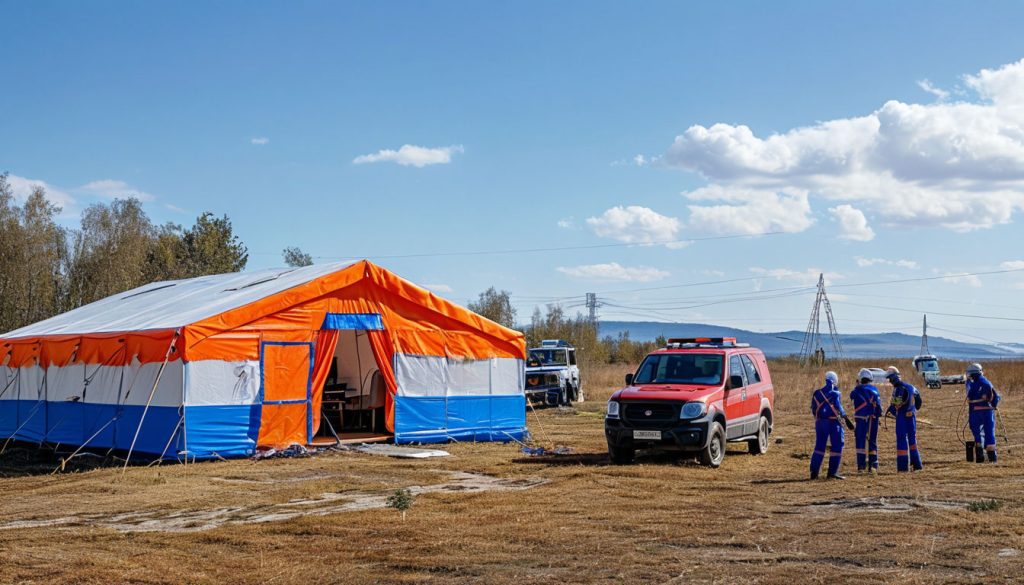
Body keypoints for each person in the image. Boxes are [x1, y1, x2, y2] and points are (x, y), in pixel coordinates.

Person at [810, 371, 853, 480]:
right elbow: (839, 406)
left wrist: (819, 418)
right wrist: (846, 418)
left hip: (820, 422)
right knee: (837, 446)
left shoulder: (817, 393)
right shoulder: (835, 392)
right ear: (835, 380)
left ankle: (814, 473)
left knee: (819, 447)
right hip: (834, 423)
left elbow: (813, 408)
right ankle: (832, 472)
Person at [884, 366, 923, 472]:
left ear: (893, 378)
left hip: (902, 418)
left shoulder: (898, 389)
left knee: (902, 441)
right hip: (912, 417)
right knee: (912, 441)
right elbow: (919, 401)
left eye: (890, 379)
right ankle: (917, 464)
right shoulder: (911, 387)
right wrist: (914, 409)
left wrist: (890, 411)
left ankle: (903, 467)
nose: (890, 382)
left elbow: (894, 406)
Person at [965, 363, 1001, 463]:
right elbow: (995, 397)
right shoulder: (987, 383)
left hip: (974, 412)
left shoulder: (969, 384)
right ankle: (992, 458)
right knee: (989, 433)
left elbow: (968, 397)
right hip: (988, 412)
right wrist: (994, 405)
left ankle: (980, 457)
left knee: (977, 433)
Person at [850, 368, 882, 473]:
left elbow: (852, 396)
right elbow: (879, 408)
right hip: (872, 419)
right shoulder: (875, 390)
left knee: (860, 442)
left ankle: (861, 467)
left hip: (860, 419)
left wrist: (857, 385)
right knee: (872, 441)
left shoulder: (856, 390)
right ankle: (873, 465)